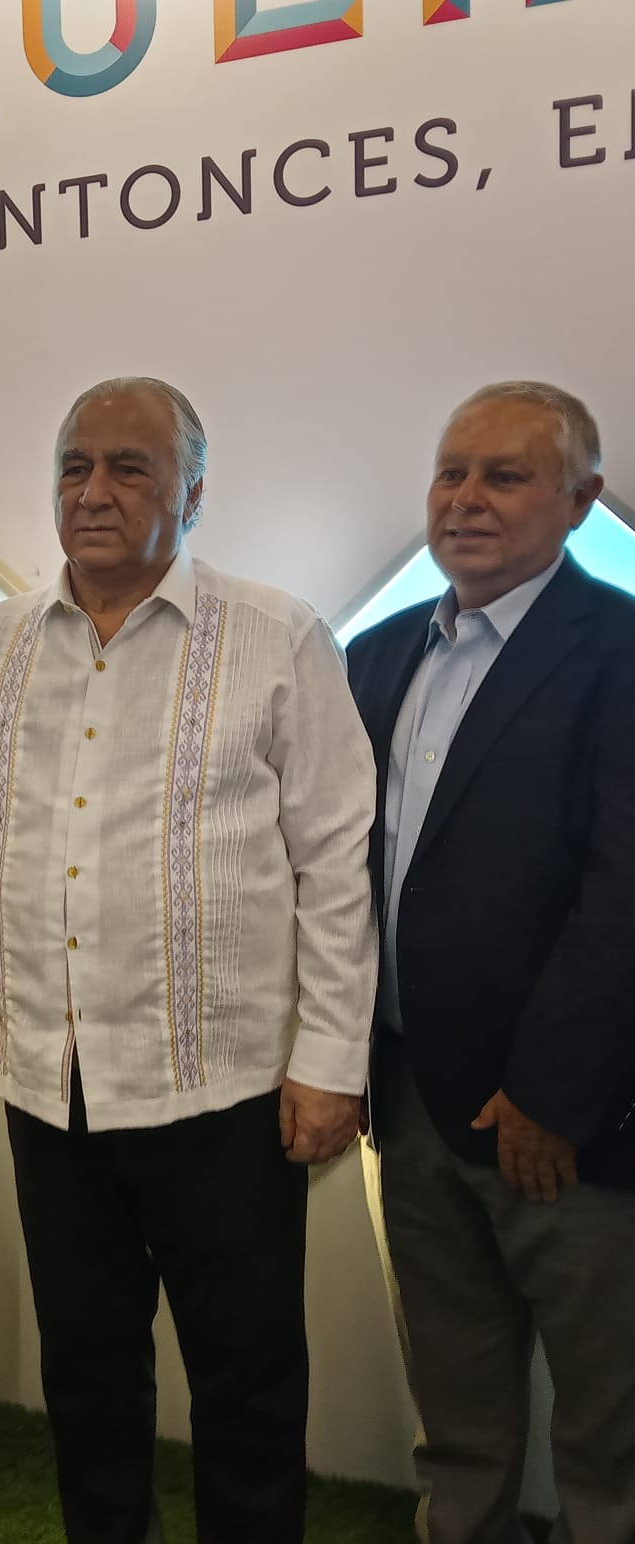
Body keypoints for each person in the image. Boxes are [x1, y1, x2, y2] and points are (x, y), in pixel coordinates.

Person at [0, 378, 378, 1544]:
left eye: (129, 467)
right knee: (87, 1377)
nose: (93, 491)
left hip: (226, 1093)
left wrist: (329, 1060)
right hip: (50, 1093)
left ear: (191, 493)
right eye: (74, 466)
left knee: (246, 1382)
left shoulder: (276, 637)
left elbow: (334, 864)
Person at [347, 382, 635, 1544]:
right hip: (410, 1095)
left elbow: (622, 893)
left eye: (503, 476)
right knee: (454, 1396)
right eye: (449, 472)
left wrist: (551, 1091)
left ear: (579, 501)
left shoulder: (619, 649)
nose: (464, 499)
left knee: (607, 1412)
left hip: (565, 1121)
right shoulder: (375, 655)